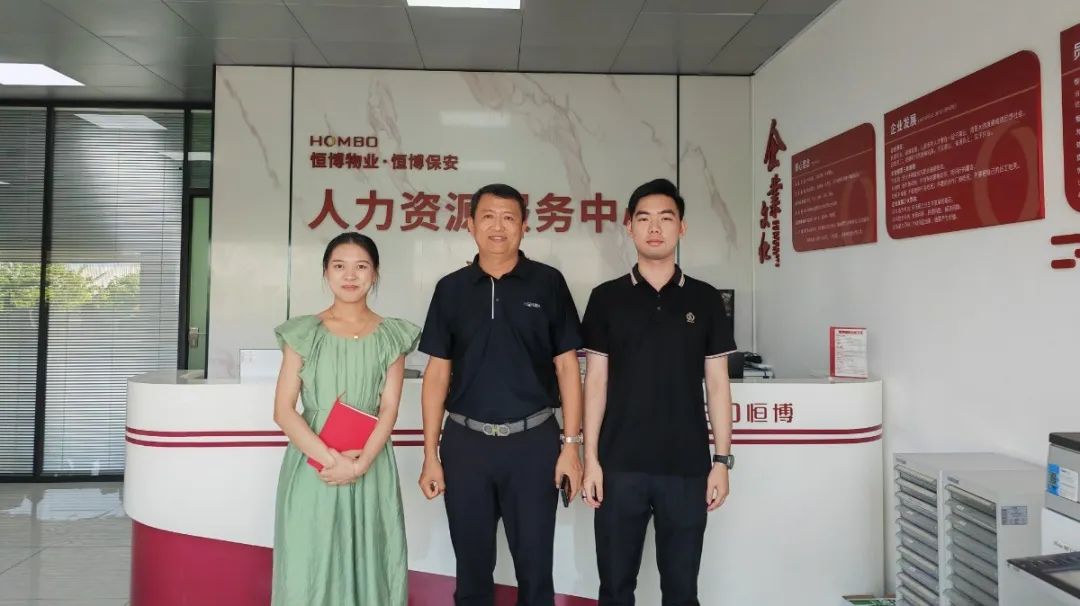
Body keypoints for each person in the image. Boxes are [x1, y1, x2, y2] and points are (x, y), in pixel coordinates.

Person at [417, 183, 585, 606]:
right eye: (488, 217)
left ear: (524, 227)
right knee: (472, 573)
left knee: (535, 572)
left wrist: (571, 446)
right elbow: (437, 374)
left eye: (509, 218)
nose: (498, 226)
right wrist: (430, 454)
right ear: (470, 225)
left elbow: (568, 367)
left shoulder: (548, 283)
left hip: (533, 444)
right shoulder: (451, 289)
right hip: (466, 445)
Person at [580, 178, 737, 606]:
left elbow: (718, 385)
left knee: (682, 592)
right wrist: (590, 460)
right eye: (644, 218)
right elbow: (595, 382)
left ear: (681, 228)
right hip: (618, 467)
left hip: (686, 469)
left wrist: (722, 461)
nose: (655, 228)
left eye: (666, 218)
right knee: (615, 590)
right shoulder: (606, 298)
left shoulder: (705, 299)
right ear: (629, 226)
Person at [271, 232, 420, 606]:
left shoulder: (392, 335)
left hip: (371, 463)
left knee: (372, 563)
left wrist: (359, 465)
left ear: (375, 273)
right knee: (309, 565)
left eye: (361, 266)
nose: (350, 275)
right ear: (326, 272)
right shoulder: (303, 332)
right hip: (313, 466)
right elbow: (283, 410)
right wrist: (332, 461)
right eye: (339, 266)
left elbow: (389, 407)